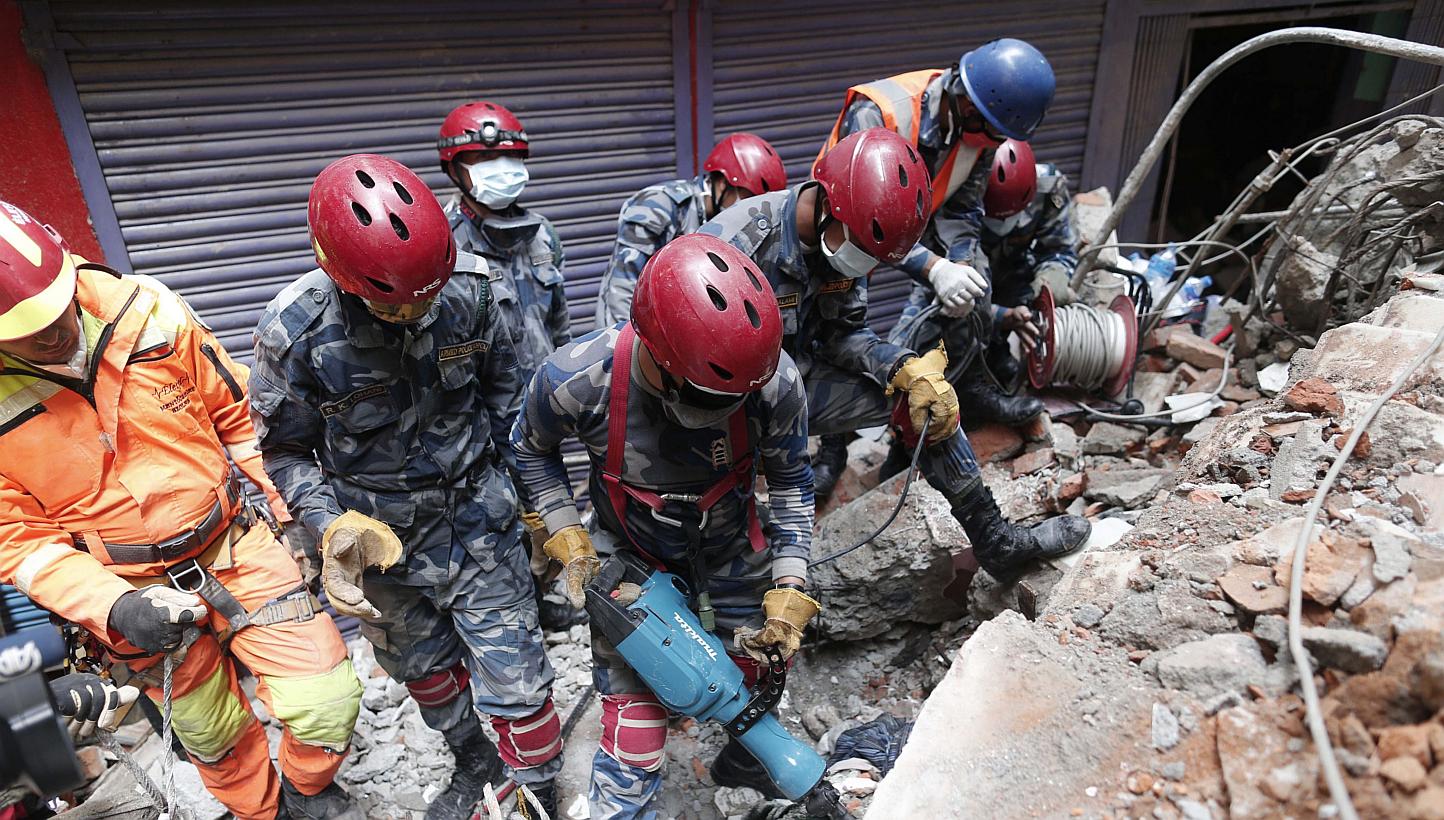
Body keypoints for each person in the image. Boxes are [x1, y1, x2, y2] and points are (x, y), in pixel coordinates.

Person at [0, 200, 363, 820]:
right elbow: (18, 542)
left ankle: (309, 793)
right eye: (28, 330)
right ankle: (262, 812)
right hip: (127, 585)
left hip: (234, 543)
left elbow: (242, 420)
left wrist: (301, 516)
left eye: (59, 304)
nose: (55, 329)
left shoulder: (146, 310)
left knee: (327, 700)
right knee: (212, 737)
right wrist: (113, 607)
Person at [249, 155, 562, 819]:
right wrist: (329, 527)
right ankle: (474, 761)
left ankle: (537, 788)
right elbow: (284, 449)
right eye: (398, 300)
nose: (420, 308)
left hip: (481, 523)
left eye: (428, 290)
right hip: (379, 544)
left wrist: (546, 513)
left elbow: (516, 416)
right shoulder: (297, 332)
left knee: (521, 683)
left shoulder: (477, 294)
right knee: (425, 672)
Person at [699, 128, 1090, 583]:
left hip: (797, 382)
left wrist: (900, 365)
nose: (866, 264)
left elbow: (844, 336)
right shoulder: (737, 242)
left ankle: (995, 540)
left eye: (876, 256)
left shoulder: (848, 237)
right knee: (726, 555)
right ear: (830, 204)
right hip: (723, 399)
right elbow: (686, 362)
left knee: (925, 401)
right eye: (864, 250)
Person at [512, 234, 816, 817]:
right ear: (656, 351)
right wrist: (561, 525)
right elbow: (530, 450)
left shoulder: (772, 384)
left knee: (756, 671)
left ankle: (746, 757)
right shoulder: (578, 380)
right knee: (636, 729)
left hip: (730, 545)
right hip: (630, 556)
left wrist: (791, 582)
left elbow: (792, 481)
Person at [817, 37, 1057, 435]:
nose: (995, 146)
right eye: (994, 135)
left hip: (902, 221)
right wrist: (933, 268)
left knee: (974, 272)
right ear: (967, 104)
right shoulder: (880, 114)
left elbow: (963, 209)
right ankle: (831, 453)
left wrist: (958, 267)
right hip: (838, 231)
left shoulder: (979, 135)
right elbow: (861, 219)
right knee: (836, 333)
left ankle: (971, 382)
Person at [436, 100, 580, 630]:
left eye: (510, 159)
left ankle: (541, 597)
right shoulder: (442, 244)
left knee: (545, 507)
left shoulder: (543, 236)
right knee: (495, 518)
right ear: (454, 170)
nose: (500, 172)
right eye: (481, 160)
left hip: (542, 406)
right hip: (477, 419)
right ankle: (505, 612)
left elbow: (558, 322)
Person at [593, 132, 787, 327]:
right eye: (749, 200)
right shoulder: (658, 206)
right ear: (722, 183)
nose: (750, 211)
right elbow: (623, 287)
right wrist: (627, 347)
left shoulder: (738, 229)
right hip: (631, 330)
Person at [978, 139, 1078, 386]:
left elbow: (1059, 249)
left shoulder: (1048, 188)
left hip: (1015, 270)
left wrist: (1049, 282)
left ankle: (1000, 356)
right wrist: (1000, 316)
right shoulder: (960, 191)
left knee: (1048, 299)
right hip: (969, 278)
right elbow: (946, 285)